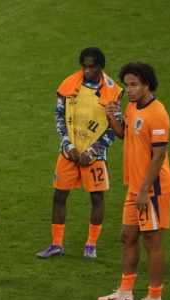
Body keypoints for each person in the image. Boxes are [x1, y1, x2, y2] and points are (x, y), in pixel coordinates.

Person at [98, 62, 170, 300]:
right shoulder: (131, 107)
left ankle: (154, 298)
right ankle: (125, 291)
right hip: (136, 187)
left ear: (147, 85)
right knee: (127, 236)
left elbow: (159, 156)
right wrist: (111, 117)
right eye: (127, 84)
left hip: (152, 189)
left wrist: (144, 190)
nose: (128, 89)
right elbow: (123, 134)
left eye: (134, 85)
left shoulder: (158, 114)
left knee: (152, 241)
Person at [38, 48, 123, 260]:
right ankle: (56, 244)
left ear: (101, 66)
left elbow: (116, 128)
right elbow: (59, 116)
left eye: (91, 67)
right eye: (84, 66)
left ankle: (91, 244)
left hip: (95, 156)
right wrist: (67, 145)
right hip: (69, 152)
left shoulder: (113, 92)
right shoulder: (69, 84)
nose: (86, 71)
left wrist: (93, 151)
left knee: (96, 198)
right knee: (59, 195)